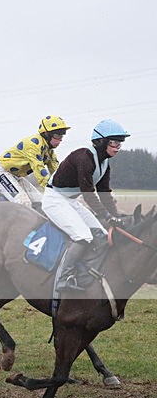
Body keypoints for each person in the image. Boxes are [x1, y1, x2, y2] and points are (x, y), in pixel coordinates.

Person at [41, 119, 129, 292]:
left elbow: (105, 193)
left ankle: (84, 274)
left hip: (70, 201)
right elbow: (89, 193)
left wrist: (116, 216)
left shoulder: (105, 164)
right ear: (101, 141)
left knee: (102, 236)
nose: (117, 147)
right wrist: (106, 216)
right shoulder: (84, 157)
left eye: (120, 143)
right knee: (83, 237)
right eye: (114, 142)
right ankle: (63, 279)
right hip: (54, 200)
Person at [0, 115, 70, 208]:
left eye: (62, 136)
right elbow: (40, 172)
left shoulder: (50, 152)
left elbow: (57, 174)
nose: (60, 140)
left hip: (17, 177)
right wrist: (54, 193)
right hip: (2, 173)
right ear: (46, 134)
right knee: (23, 203)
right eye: (57, 135)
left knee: (41, 203)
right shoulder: (33, 145)